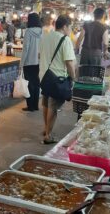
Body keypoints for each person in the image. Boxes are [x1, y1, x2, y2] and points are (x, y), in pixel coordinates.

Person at [39, 15, 76, 144]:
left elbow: (40, 54)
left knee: (45, 103)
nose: (70, 30)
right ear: (65, 26)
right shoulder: (65, 40)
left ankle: (46, 128)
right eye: (70, 27)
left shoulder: (45, 36)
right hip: (57, 78)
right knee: (53, 107)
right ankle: (48, 135)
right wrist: (73, 77)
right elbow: (69, 63)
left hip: (44, 76)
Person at [20, 12, 42, 111]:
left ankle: (30, 106)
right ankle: (36, 105)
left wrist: (21, 63)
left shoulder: (28, 31)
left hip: (28, 62)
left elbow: (26, 48)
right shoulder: (42, 32)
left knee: (29, 84)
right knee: (36, 84)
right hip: (39, 62)